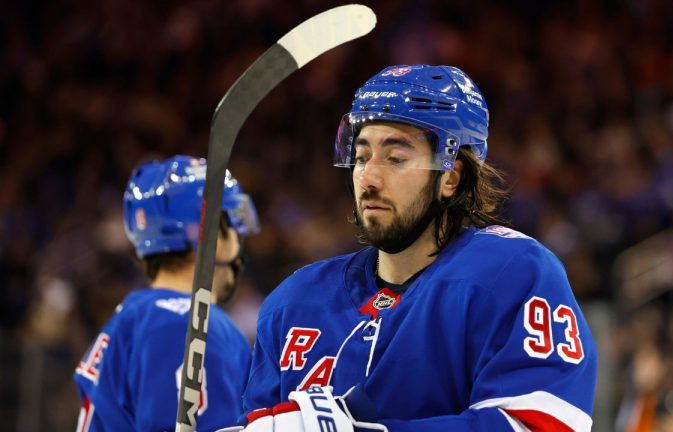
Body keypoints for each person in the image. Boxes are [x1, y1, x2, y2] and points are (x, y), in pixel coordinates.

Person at [235, 65, 598, 432]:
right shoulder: (295, 300)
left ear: (451, 178)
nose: (369, 178)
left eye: (396, 159)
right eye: (361, 157)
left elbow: (541, 425)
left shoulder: (510, 273)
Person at [74, 155, 260, 431]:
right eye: (234, 227)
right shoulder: (192, 325)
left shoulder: (131, 315)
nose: (240, 241)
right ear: (215, 235)